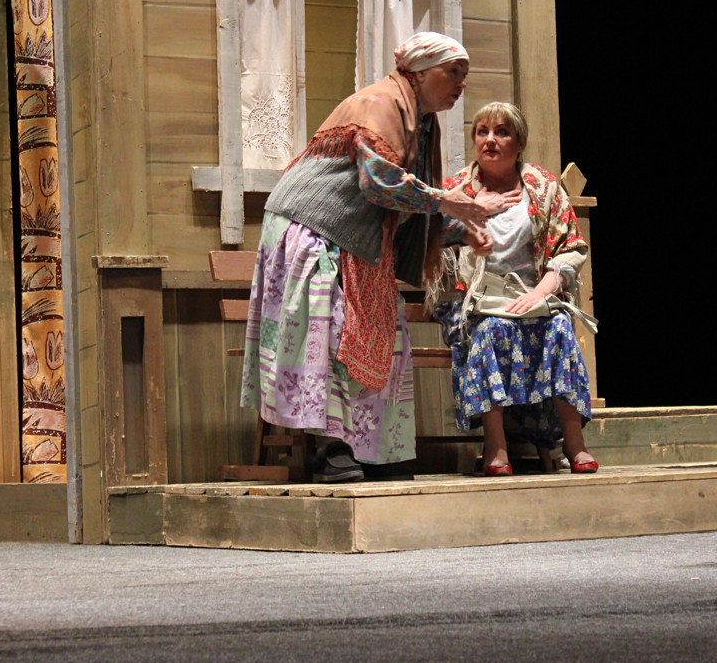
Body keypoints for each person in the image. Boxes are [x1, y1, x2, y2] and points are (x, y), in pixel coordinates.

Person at [240, 33, 508, 483]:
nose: (461, 83)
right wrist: (449, 201)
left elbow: (407, 213)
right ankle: (331, 449)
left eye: (465, 74)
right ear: (418, 72)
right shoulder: (380, 104)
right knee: (331, 332)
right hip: (314, 228)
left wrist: (463, 230)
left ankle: (376, 450)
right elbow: (379, 182)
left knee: (385, 332)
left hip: (357, 240)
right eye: (453, 72)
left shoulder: (421, 122)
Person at [441, 102, 597, 475]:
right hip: (475, 299)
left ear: (519, 142)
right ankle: (496, 447)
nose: (490, 140)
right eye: (482, 132)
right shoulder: (458, 189)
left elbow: (570, 248)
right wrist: (474, 208)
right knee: (491, 331)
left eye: (502, 132)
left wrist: (540, 293)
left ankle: (574, 444)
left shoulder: (543, 187)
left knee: (559, 328)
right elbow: (431, 239)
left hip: (533, 295)